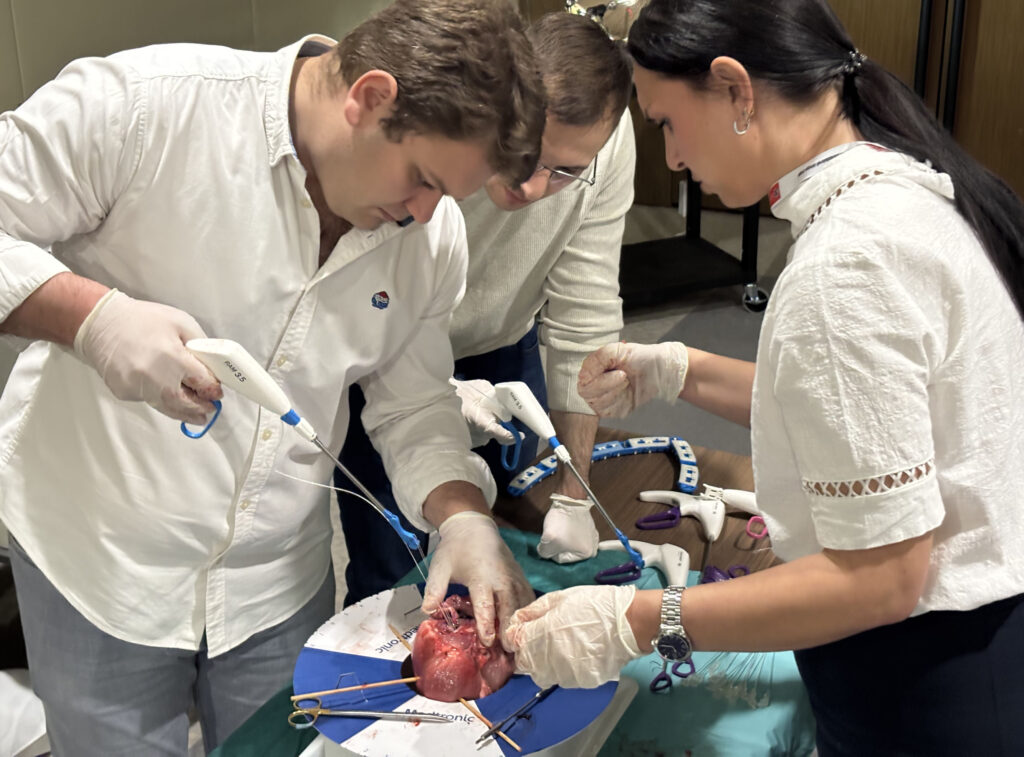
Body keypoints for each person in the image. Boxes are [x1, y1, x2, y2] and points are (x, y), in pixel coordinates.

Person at [0, 0, 545, 752]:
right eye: (422, 179)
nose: (424, 214)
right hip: (102, 561)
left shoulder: (428, 236)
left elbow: (412, 404)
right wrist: (90, 319)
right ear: (370, 97)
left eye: (445, 195)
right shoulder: (146, 108)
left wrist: (462, 515)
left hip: (275, 582)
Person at [503, 1, 1024, 754]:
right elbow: (856, 419)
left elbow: (880, 578)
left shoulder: (847, 265)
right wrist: (680, 369)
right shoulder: (897, 193)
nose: (672, 158)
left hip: (927, 669)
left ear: (735, 89)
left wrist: (639, 621)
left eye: (667, 123)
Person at [336, 10, 636, 603]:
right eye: (525, 156)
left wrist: (574, 494)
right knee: (392, 569)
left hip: (503, 352)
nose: (531, 188)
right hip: (383, 350)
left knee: (498, 545)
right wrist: (437, 390)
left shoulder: (604, 142)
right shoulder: (445, 131)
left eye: (564, 172)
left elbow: (584, 315)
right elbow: (358, 299)